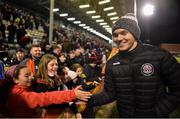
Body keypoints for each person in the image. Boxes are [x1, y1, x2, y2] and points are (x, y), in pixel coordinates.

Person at [87, 13, 180, 117]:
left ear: (135, 34)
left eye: (124, 33)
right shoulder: (112, 63)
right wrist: (86, 100)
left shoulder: (159, 56)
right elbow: (110, 94)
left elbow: (177, 90)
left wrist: (157, 113)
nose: (119, 38)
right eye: (115, 35)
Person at [6, 65, 92, 118]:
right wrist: (72, 94)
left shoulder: (26, 86)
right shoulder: (18, 95)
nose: (31, 78)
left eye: (31, 74)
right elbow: (45, 97)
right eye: (26, 76)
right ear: (15, 80)